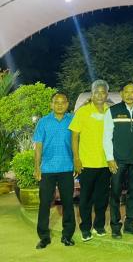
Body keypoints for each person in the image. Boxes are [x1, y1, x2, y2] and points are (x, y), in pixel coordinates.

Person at [103, 82, 133, 239]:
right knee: (115, 194)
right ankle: (115, 226)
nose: (129, 95)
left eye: (132, 92)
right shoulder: (112, 111)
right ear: (121, 94)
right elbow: (106, 137)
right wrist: (110, 159)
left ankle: (129, 225)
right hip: (118, 161)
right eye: (126, 92)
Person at [70, 79, 111, 242]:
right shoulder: (83, 111)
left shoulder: (110, 112)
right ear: (92, 94)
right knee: (86, 198)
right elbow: (74, 136)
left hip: (105, 163)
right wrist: (76, 159)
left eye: (102, 92)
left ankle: (99, 226)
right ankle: (85, 228)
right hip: (86, 163)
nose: (99, 95)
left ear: (106, 94)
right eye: (96, 92)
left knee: (102, 198)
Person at [33, 92, 75, 249]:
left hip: (67, 168)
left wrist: (77, 162)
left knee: (68, 203)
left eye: (63, 102)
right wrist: (37, 167)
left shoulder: (72, 120)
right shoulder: (43, 122)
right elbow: (38, 147)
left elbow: (78, 143)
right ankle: (44, 237)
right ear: (51, 104)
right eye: (56, 102)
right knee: (44, 203)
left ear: (67, 104)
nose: (59, 105)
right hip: (47, 169)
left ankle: (67, 235)